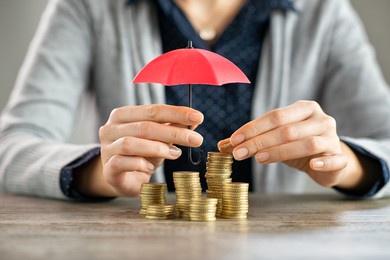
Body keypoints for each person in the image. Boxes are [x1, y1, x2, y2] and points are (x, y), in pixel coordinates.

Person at [0, 0, 389, 201]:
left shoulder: (323, 10)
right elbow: (13, 146)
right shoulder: (87, 6)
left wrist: (344, 165)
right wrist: (96, 172)